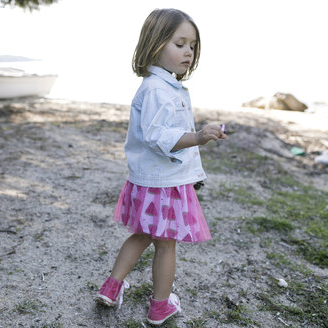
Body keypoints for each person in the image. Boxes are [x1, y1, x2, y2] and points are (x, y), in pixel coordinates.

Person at [95, 8, 227, 325]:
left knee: (142, 235)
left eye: (192, 46)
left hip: (149, 182)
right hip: (163, 184)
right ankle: (160, 306)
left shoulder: (164, 86)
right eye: (180, 43)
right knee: (166, 245)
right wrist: (196, 136)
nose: (188, 51)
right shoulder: (157, 89)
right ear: (155, 45)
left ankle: (112, 287)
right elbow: (157, 136)